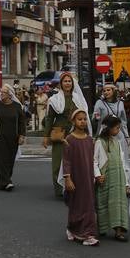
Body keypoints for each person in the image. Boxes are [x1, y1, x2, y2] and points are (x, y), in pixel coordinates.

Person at [43, 72, 88, 200]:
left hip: (75, 133)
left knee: (74, 162)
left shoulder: (78, 98)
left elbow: (84, 118)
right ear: (61, 84)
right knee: (58, 162)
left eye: (69, 81)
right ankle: (59, 189)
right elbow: (49, 118)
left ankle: (72, 187)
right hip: (60, 134)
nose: (67, 83)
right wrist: (46, 136)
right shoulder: (54, 99)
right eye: (65, 81)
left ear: (72, 84)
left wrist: (87, 134)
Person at [61, 107, 99, 246]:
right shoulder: (69, 139)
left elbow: (93, 159)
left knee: (89, 204)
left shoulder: (90, 140)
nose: (82, 122)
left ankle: (88, 234)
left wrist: (96, 175)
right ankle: (72, 228)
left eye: (84, 119)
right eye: (79, 119)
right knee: (76, 204)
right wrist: (67, 178)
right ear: (73, 121)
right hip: (75, 177)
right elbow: (66, 161)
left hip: (88, 178)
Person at [94, 117, 130, 241]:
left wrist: (126, 183)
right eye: (116, 128)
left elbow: (123, 162)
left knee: (118, 204)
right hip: (106, 178)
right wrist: (97, 175)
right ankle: (102, 228)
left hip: (118, 179)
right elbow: (94, 160)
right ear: (108, 128)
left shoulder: (117, 142)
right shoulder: (99, 142)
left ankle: (118, 231)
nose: (118, 130)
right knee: (104, 203)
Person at [0, 84, 26, 191]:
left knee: (10, 159)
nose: (1, 94)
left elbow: (22, 122)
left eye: (4, 92)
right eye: (1, 92)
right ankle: (6, 182)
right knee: (1, 160)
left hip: (14, 137)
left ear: (10, 94)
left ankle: (5, 180)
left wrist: (22, 135)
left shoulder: (17, 106)